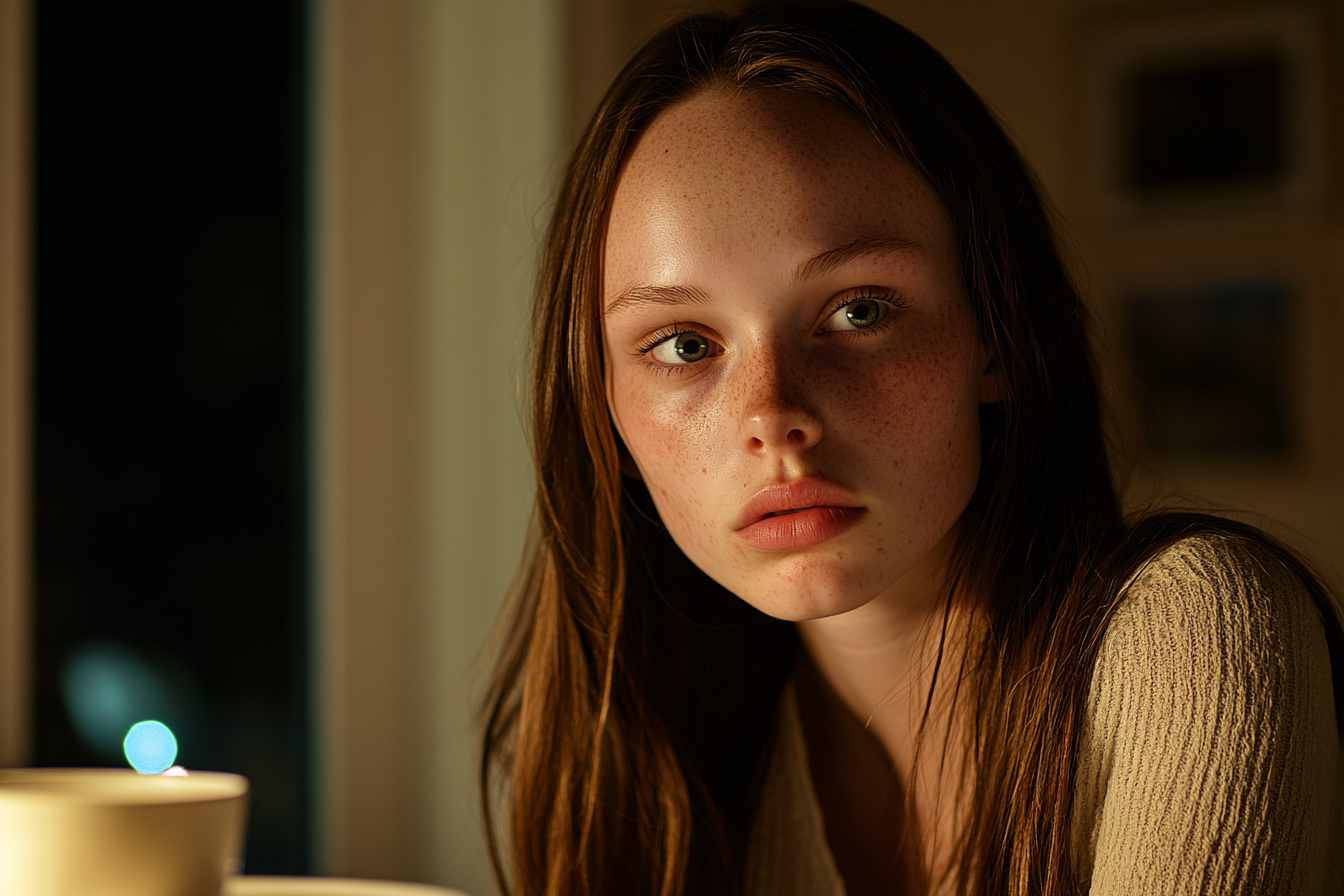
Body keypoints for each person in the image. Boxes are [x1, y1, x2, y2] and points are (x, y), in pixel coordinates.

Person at [479, 2, 1344, 894]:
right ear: (607, 413)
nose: (773, 415)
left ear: (997, 335)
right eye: (685, 345)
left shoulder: (1194, 634)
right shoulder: (646, 766)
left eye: (859, 310)